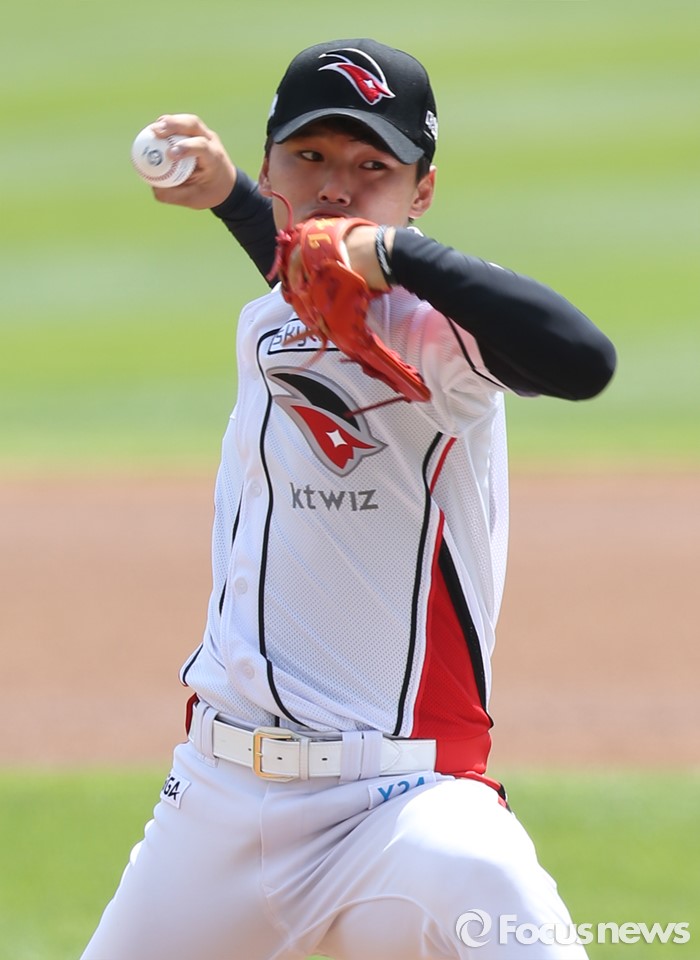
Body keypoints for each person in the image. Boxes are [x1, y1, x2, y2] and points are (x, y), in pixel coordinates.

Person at [82, 38, 616, 960]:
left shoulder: (440, 337)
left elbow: (583, 359)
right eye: (310, 157)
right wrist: (228, 196)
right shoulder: (283, 307)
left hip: (403, 807)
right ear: (271, 168)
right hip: (214, 803)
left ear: (421, 192)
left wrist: (396, 254)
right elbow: (304, 265)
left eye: (374, 168)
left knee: (516, 919)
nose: (337, 187)